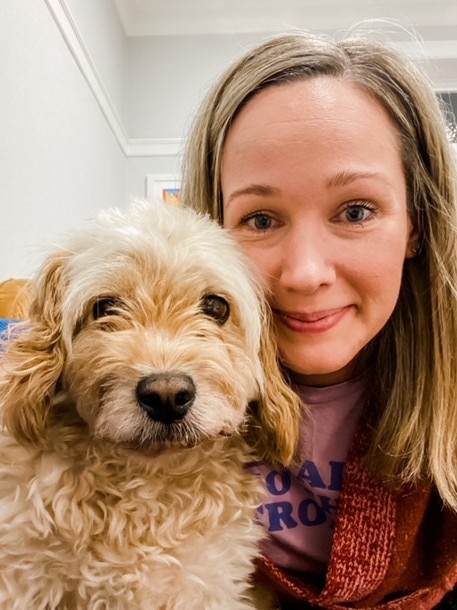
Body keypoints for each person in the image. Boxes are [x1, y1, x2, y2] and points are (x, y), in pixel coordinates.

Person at [179, 28, 457, 609]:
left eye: (355, 211)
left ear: (416, 224)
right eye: (259, 219)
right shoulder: (154, 397)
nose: (305, 273)